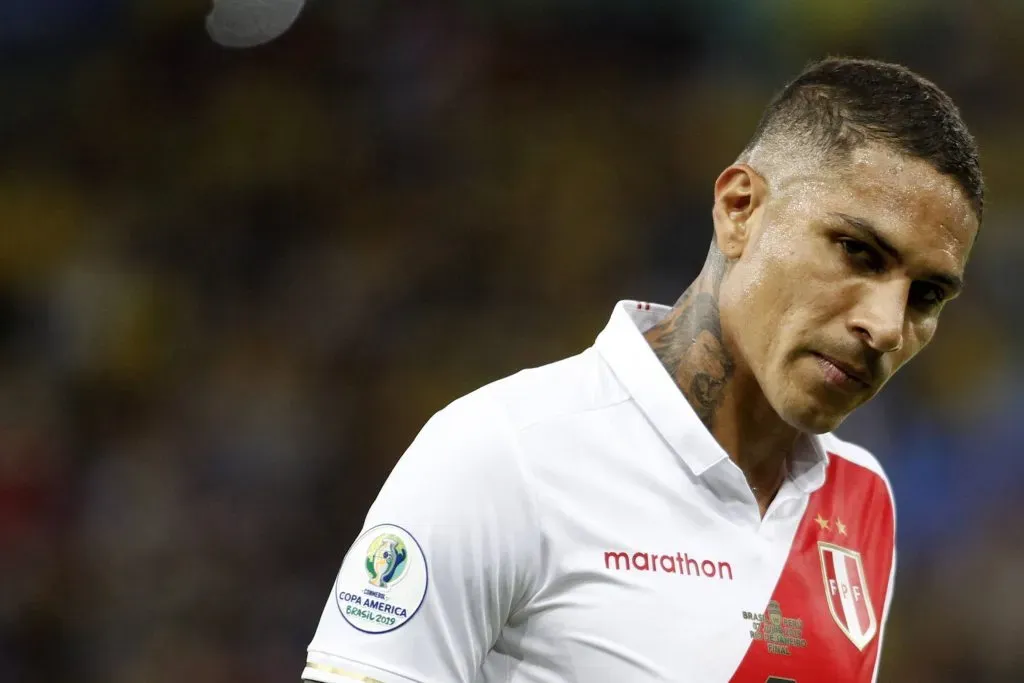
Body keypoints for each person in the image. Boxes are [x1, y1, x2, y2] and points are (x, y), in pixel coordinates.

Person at [300, 57, 983, 683]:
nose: (888, 325)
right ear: (740, 208)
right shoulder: (501, 454)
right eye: (858, 252)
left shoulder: (864, 502)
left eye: (927, 295)